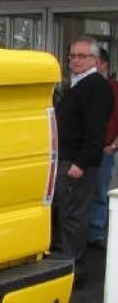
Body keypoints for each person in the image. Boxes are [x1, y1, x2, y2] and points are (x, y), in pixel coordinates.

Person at [52, 35, 115, 285]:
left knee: (74, 217)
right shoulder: (77, 85)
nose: (75, 61)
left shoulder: (96, 87)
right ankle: (69, 265)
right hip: (67, 158)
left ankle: (75, 271)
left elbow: (95, 130)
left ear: (95, 60)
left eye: (81, 56)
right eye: (72, 56)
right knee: (66, 215)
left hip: (78, 164)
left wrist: (80, 162)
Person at [87, 47, 118, 249]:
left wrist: (114, 144)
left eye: (95, 62)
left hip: (104, 148)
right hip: (86, 148)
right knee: (83, 193)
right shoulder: (85, 87)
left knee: (100, 192)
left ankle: (96, 234)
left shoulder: (114, 88)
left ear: (104, 64)